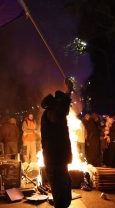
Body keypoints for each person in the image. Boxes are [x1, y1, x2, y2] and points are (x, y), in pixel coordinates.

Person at [41, 78, 73, 208]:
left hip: (58, 159)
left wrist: (68, 92)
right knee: (61, 193)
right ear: (55, 104)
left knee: (64, 189)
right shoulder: (51, 113)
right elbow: (61, 113)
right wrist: (69, 91)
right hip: (54, 160)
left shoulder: (53, 112)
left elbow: (62, 111)